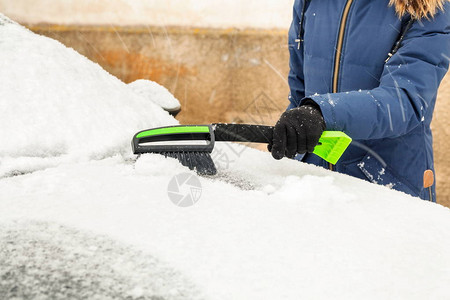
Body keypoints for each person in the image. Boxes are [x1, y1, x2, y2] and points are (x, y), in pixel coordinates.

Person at [269, 0, 450, 202]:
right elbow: (299, 91)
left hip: (386, 189)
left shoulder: (429, 6)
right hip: (314, 185)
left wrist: (323, 113)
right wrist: (293, 137)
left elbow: (405, 101)